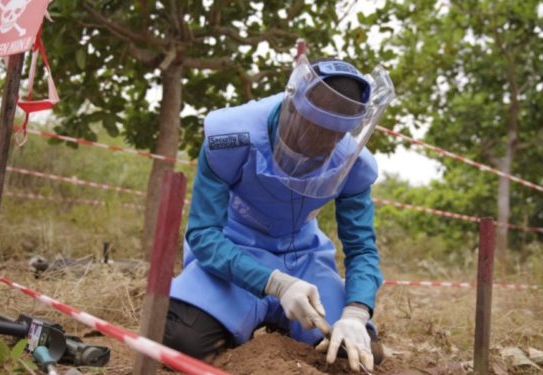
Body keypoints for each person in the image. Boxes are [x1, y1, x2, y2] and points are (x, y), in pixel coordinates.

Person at [163, 56, 395, 372]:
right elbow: (204, 235)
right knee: (182, 342)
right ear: (294, 110)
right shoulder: (231, 137)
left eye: (337, 134)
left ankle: (288, 325)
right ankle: (242, 323)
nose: (325, 143)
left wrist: (355, 313)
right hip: (235, 250)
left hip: (304, 258)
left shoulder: (353, 164)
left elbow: (362, 250)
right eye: (316, 129)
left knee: (350, 356)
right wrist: (275, 284)